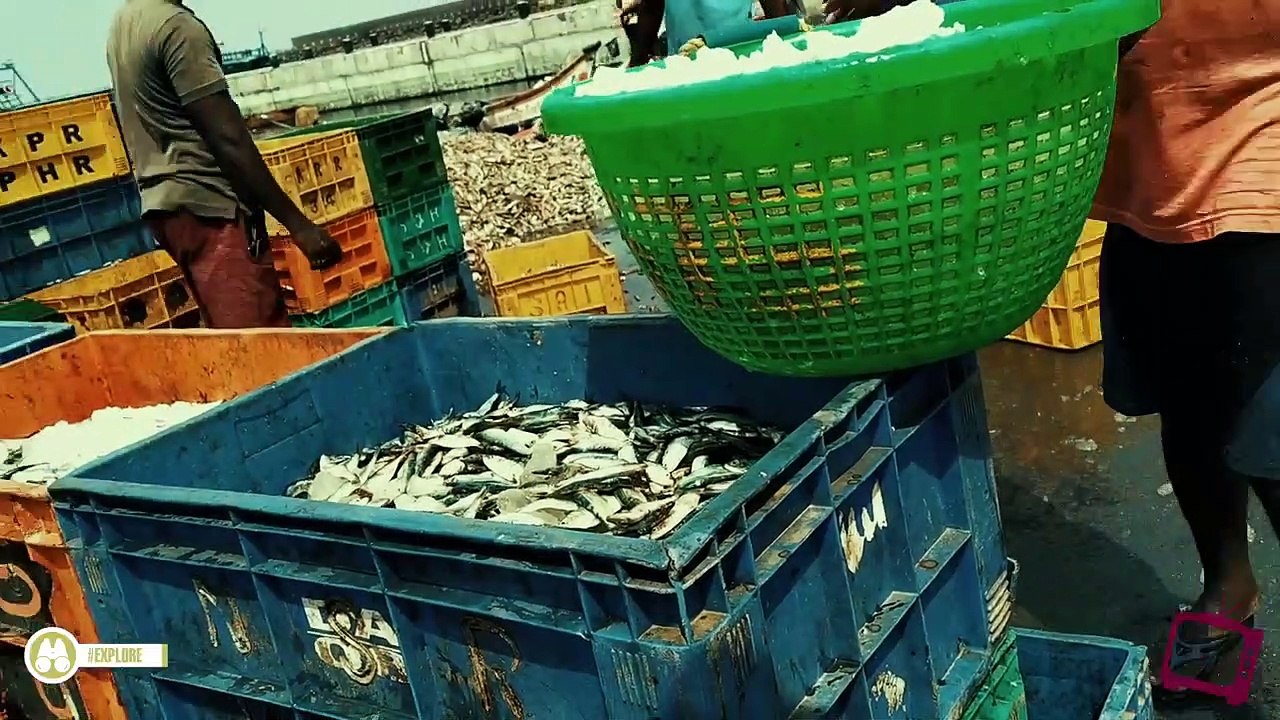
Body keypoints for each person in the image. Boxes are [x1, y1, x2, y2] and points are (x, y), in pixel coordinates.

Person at [1089, 4, 1280, 698]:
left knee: (1271, 433)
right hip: (1149, 168)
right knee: (1189, 410)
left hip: (1264, 151)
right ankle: (1226, 593)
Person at [107, 0, 342, 328]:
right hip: (210, 206)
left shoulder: (127, 20)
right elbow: (228, 139)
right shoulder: (177, 28)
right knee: (260, 344)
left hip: (168, 207)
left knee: (226, 334)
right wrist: (300, 227)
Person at [619, 0, 801, 67]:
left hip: (739, 59)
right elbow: (652, 7)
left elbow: (775, 10)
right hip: (684, 63)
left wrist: (790, 47)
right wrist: (636, 64)